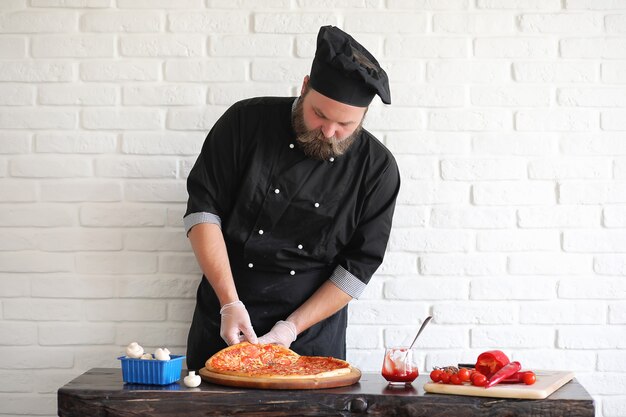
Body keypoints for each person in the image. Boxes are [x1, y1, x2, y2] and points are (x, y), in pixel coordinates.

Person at [183, 25, 400, 371]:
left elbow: (357, 268)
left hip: (311, 335)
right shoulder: (244, 123)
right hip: (225, 320)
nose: (328, 132)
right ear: (304, 87)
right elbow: (202, 214)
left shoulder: (377, 169)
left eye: (344, 125)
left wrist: (292, 327)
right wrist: (228, 302)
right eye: (320, 115)